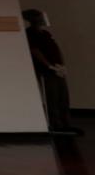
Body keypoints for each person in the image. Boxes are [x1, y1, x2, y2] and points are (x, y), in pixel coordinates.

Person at [23, 8, 83, 136]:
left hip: (57, 68)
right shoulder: (30, 33)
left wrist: (61, 65)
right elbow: (35, 51)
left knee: (63, 96)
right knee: (52, 97)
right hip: (46, 70)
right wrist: (49, 66)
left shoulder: (46, 34)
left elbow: (56, 48)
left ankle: (66, 123)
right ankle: (56, 124)